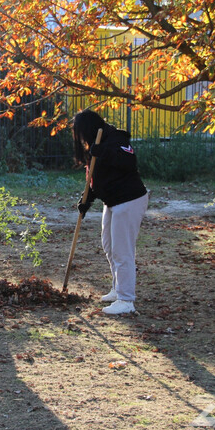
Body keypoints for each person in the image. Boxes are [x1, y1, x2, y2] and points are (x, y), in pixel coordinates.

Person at [73, 109, 149, 315]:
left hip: (130, 200)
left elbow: (128, 162)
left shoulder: (115, 138)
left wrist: (104, 152)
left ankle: (126, 300)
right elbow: (94, 180)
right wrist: (86, 201)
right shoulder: (94, 146)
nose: (80, 138)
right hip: (113, 201)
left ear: (89, 129)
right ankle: (118, 289)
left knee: (122, 251)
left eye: (81, 133)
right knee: (109, 245)